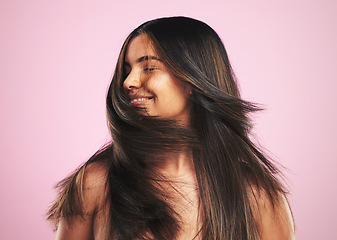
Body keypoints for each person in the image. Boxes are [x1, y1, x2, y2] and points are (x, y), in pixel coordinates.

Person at [47, 16, 295, 240]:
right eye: (127, 70)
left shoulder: (258, 194)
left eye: (149, 68)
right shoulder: (96, 183)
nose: (128, 82)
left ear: (192, 80)